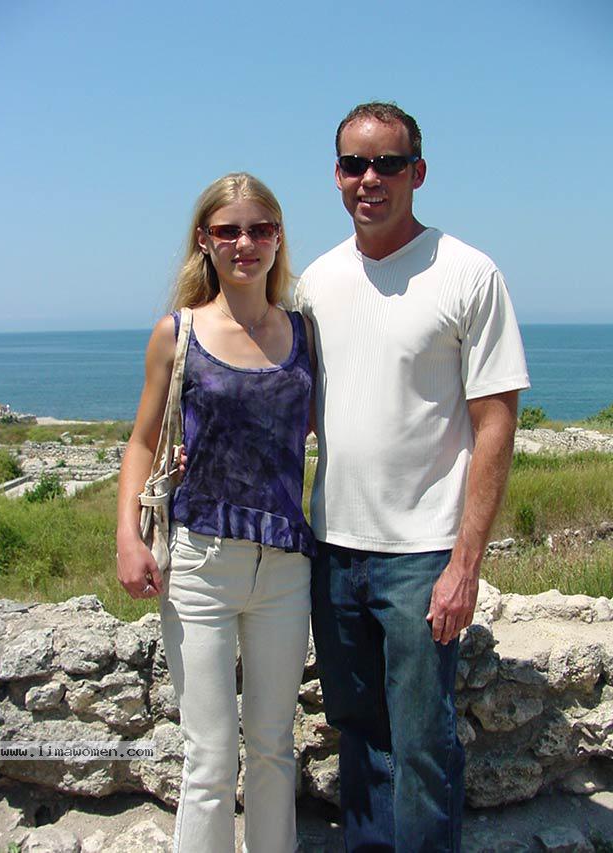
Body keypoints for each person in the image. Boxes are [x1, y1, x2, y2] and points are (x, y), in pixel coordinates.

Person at [295, 103, 530, 852]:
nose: (370, 179)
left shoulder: (468, 273)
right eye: (354, 164)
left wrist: (465, 565)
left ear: (417, 173)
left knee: (423, 745)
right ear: (336, 176)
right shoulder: (316, 282)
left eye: (388, 163)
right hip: (334, 549)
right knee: (360, 737)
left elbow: (496, 424)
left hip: (424, 556)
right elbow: (296, 410)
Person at [117, 172, 315, 853]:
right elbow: (142, 441)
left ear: (278, 237)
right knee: (208, 758)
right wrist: (127, 537)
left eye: (260, 229)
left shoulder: (303, 334)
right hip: (200, 562)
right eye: (228, 230)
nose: (244, 243)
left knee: (273, 746)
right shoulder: (178, 333)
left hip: (285, 565)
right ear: (204, 239)